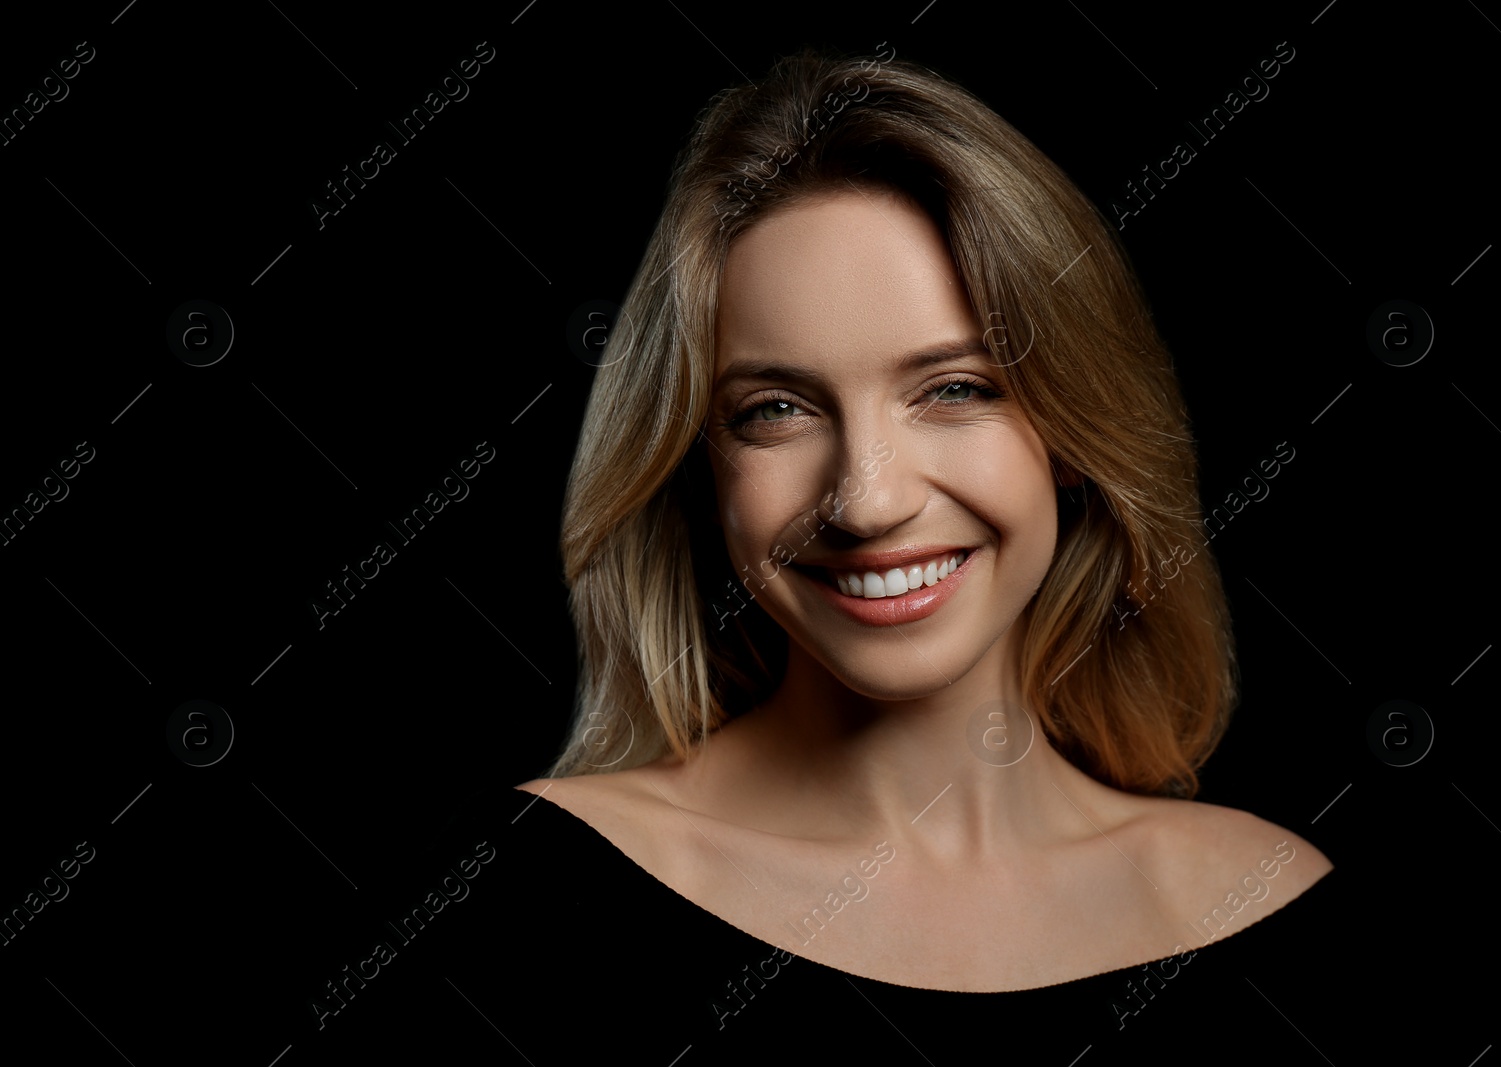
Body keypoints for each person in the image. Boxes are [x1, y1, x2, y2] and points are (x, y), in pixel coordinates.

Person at [430, 48, 1336, 1058]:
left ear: (1073, 435)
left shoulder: (1265, 895)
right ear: (701, 465)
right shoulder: (527, 890)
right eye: (775, 409)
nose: (866, 500)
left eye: (954, 388)